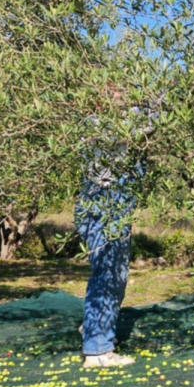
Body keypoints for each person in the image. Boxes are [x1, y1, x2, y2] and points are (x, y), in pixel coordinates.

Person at [76, 86, 155, 368]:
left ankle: (94, 328)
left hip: (114, 205)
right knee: (107, 276)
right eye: (115, 91)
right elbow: (148, 121)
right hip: (103, 203)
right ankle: (97, 352)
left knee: (115, 276)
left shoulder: (113, 121)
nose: (121, 95)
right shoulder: (100, 124)